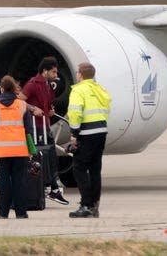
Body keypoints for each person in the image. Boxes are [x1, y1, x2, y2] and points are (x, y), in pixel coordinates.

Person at [0, 75, 41, 219]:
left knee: (3, 181)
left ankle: (3, 213)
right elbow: (28, 130)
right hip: (20, 150)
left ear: (1, 89)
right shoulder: (22, 106)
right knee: (19, 181)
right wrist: (31, 150)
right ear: (14, 88)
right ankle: (21, 213)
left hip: (2, 151)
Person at [19, 56, 69, 205]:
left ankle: (53, 188)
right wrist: (32, 109)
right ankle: (49, 187)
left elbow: (47, 103)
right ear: (45, 71)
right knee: (42, 157)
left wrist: (49, 110)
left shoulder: (48, 85)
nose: (56, 75)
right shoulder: (32, 84)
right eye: (53, 72)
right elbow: (20, 100)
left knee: (51, 157)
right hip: (36, 127)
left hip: (45, 125)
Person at [67, 62, 111, 218]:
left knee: (78, 168)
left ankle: (86, 204)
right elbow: (107, 109)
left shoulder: (78, 90)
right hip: (101, 131)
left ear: (80, 74)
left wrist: (74, 133)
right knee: (95, 169)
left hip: (87, 133)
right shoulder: (100, 89)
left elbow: (75, 113)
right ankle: (95, 205)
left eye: (77, 72)